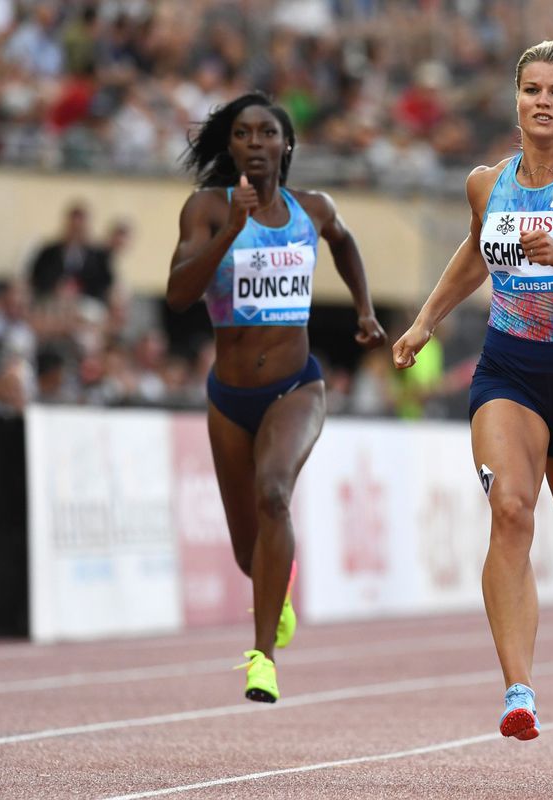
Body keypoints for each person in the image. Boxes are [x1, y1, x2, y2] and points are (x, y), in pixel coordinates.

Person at [392, 40, 553, 741]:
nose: (544, 102)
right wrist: (424, 322)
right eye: (532, 89)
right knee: (509, 509)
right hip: (509, 371)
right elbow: (476, 250)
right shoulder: (488, 182)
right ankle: (519, 691)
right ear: (516, 98)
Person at [167, 91, 386, 703]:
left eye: (268, 133)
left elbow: (342, 241)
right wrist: (230, 231)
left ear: (286, 146)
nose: (256, 143)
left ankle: (261, 657)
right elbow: (179, 292)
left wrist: (364, 310)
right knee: (248, 552)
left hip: (297, 385)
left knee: (274, 495)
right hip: (228, 396)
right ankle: (274, 589)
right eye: (244, 134)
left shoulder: (310, 208)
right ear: (231, 146)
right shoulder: (207, 208)